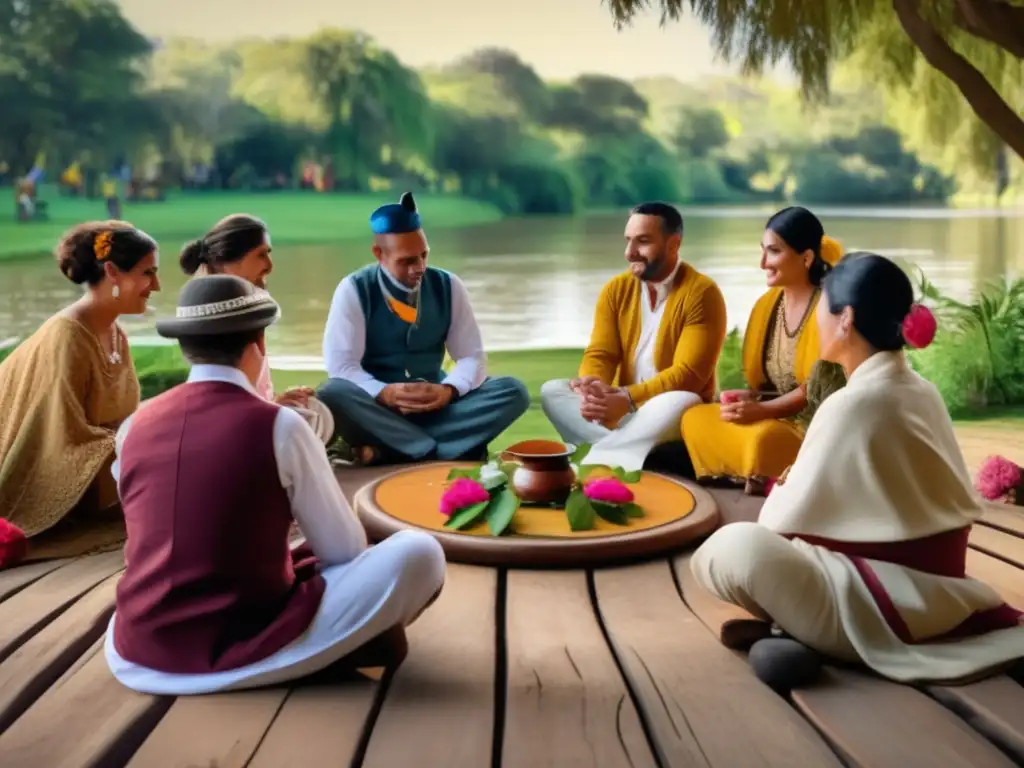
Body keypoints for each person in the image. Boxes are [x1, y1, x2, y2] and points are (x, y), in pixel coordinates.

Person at [690, 252, 1023, 690]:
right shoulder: (922, 391)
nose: (818, 323)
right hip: (943, 594)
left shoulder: (851, 404)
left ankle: (806, 635)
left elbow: (775, 523)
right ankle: (795, 631)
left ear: (845, 319)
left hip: (879, 607)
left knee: (733, 548)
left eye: (824, 310)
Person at [104, 275, 447, 694]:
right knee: (419, 552)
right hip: (239, 640)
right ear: (260, 344)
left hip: (138, 649)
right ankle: (322, 652)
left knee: (296, 555)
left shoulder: (135, 424)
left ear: (186, 347)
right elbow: (344, 551)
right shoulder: (279, 424)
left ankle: (334, 646)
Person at [317, 192, 530, 465]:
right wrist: (384, 393)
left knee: (513, 391)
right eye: (407, 261)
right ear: (379, 254)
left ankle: (392, 451)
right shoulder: (353, 289)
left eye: (424, 255)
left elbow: (471, 357)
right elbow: (342, 366)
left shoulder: (449, 285)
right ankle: (446, 448)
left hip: (438, 406)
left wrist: (449, 390)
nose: (419, 268)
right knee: (332, 393)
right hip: (380, 413)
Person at [0, 221, 160, 566]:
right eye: (148, 273)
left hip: (105, 468)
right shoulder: (69, 336)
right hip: (43, 474)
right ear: (113, 272)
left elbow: (123, 420)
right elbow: (60, 438)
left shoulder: (116, 334)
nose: (156, 285)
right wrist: (141, 443)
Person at [539, 202, 727, 472]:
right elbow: (601, 353)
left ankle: (594, 458)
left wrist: (627, 398)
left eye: (643, 242)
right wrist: (592, 387)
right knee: (552, 391)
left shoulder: (702, 293)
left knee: (682, 399)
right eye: (628, 241)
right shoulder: (615, 290)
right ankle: (625, 454)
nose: (630, 253)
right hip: (623, 410)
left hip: (668, 412)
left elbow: (689, 375)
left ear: (674, 244)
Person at [681, 207, 847, 495]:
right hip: (774, 414)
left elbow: (817, 390)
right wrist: (753, 398)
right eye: (762, 250)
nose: (762, 263)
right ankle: (747, 473)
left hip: (815, 426)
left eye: (773, 251)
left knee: (763, 441)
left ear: (806, 258)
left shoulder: (829, 309)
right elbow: (769, 383)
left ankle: (757, 472)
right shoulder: (767, 305)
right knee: (694, 418)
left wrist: (760, 410)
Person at [180, 214, 334, 443]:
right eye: (261, 255)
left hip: (250, 413)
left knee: (316, 409)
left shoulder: (248, 304)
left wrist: (277, 401)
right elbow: (221, 400)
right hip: (224, 429)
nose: (270, 266)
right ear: (227, 263)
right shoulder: (208, 312)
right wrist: (271, 408)